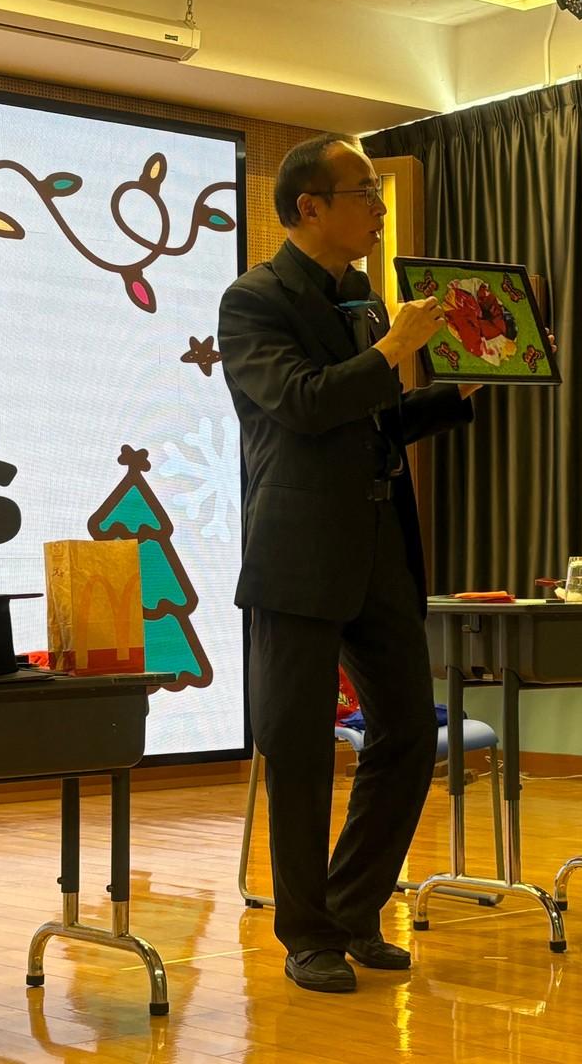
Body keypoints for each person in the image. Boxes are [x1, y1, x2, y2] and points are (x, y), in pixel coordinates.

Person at [217, 133, 478, 992]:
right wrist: (393, 350)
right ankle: (307, 935)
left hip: (379, 543)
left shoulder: (363, 302)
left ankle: (353, 909)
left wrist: (453, 395)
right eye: (365, 192)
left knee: (408, 730)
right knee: (297, 746)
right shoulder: (254, 300)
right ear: (310, 207)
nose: (380, 209)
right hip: (297, 551)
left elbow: (375, 422)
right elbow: (301, 404)